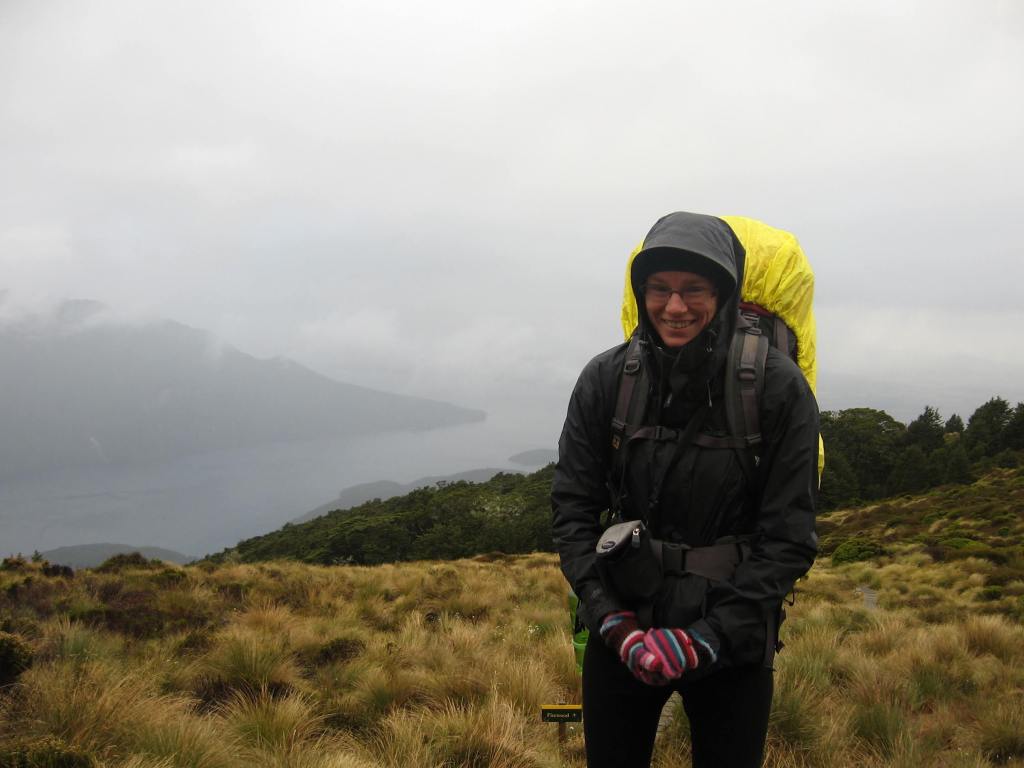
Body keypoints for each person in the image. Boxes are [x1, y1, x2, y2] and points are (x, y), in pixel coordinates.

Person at [552, 211, 819, 768]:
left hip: (733, 635)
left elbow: (788, 536)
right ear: (641, 291)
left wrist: (709, 637)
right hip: (623, 625)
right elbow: (572, 513)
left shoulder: (776, 388)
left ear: (724, 293)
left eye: (694, 289)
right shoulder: (606, 380)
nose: (675, 307)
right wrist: (611, 623)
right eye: (660, 289)